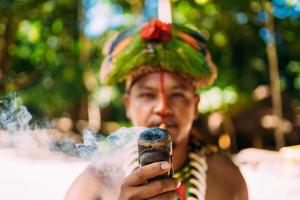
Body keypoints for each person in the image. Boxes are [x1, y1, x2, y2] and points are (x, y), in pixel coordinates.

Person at [66, 19, 248, 200]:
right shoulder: (96, 183)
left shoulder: (227, 179)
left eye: (177, 95)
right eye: (147, 95)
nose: (162, 108)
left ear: (196, 105)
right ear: (128, 105)